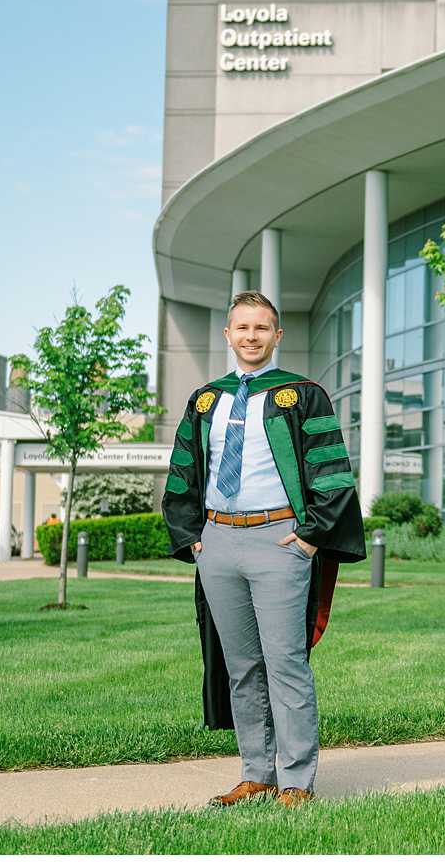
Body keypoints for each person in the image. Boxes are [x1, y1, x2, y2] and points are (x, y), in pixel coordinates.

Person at [160, 290, 366, 808]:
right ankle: (257, 773)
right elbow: (182, 472)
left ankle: (296, 779)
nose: (251, 336)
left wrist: (310, 538)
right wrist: (194, 539)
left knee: (286, 661)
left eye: (262, 328)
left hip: (280, 541)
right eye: (242, 328)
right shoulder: (206, 400)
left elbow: (332, 473)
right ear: (228, 336)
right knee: (240, 665)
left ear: (277, 336)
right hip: (219, 539)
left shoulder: (301, 395)